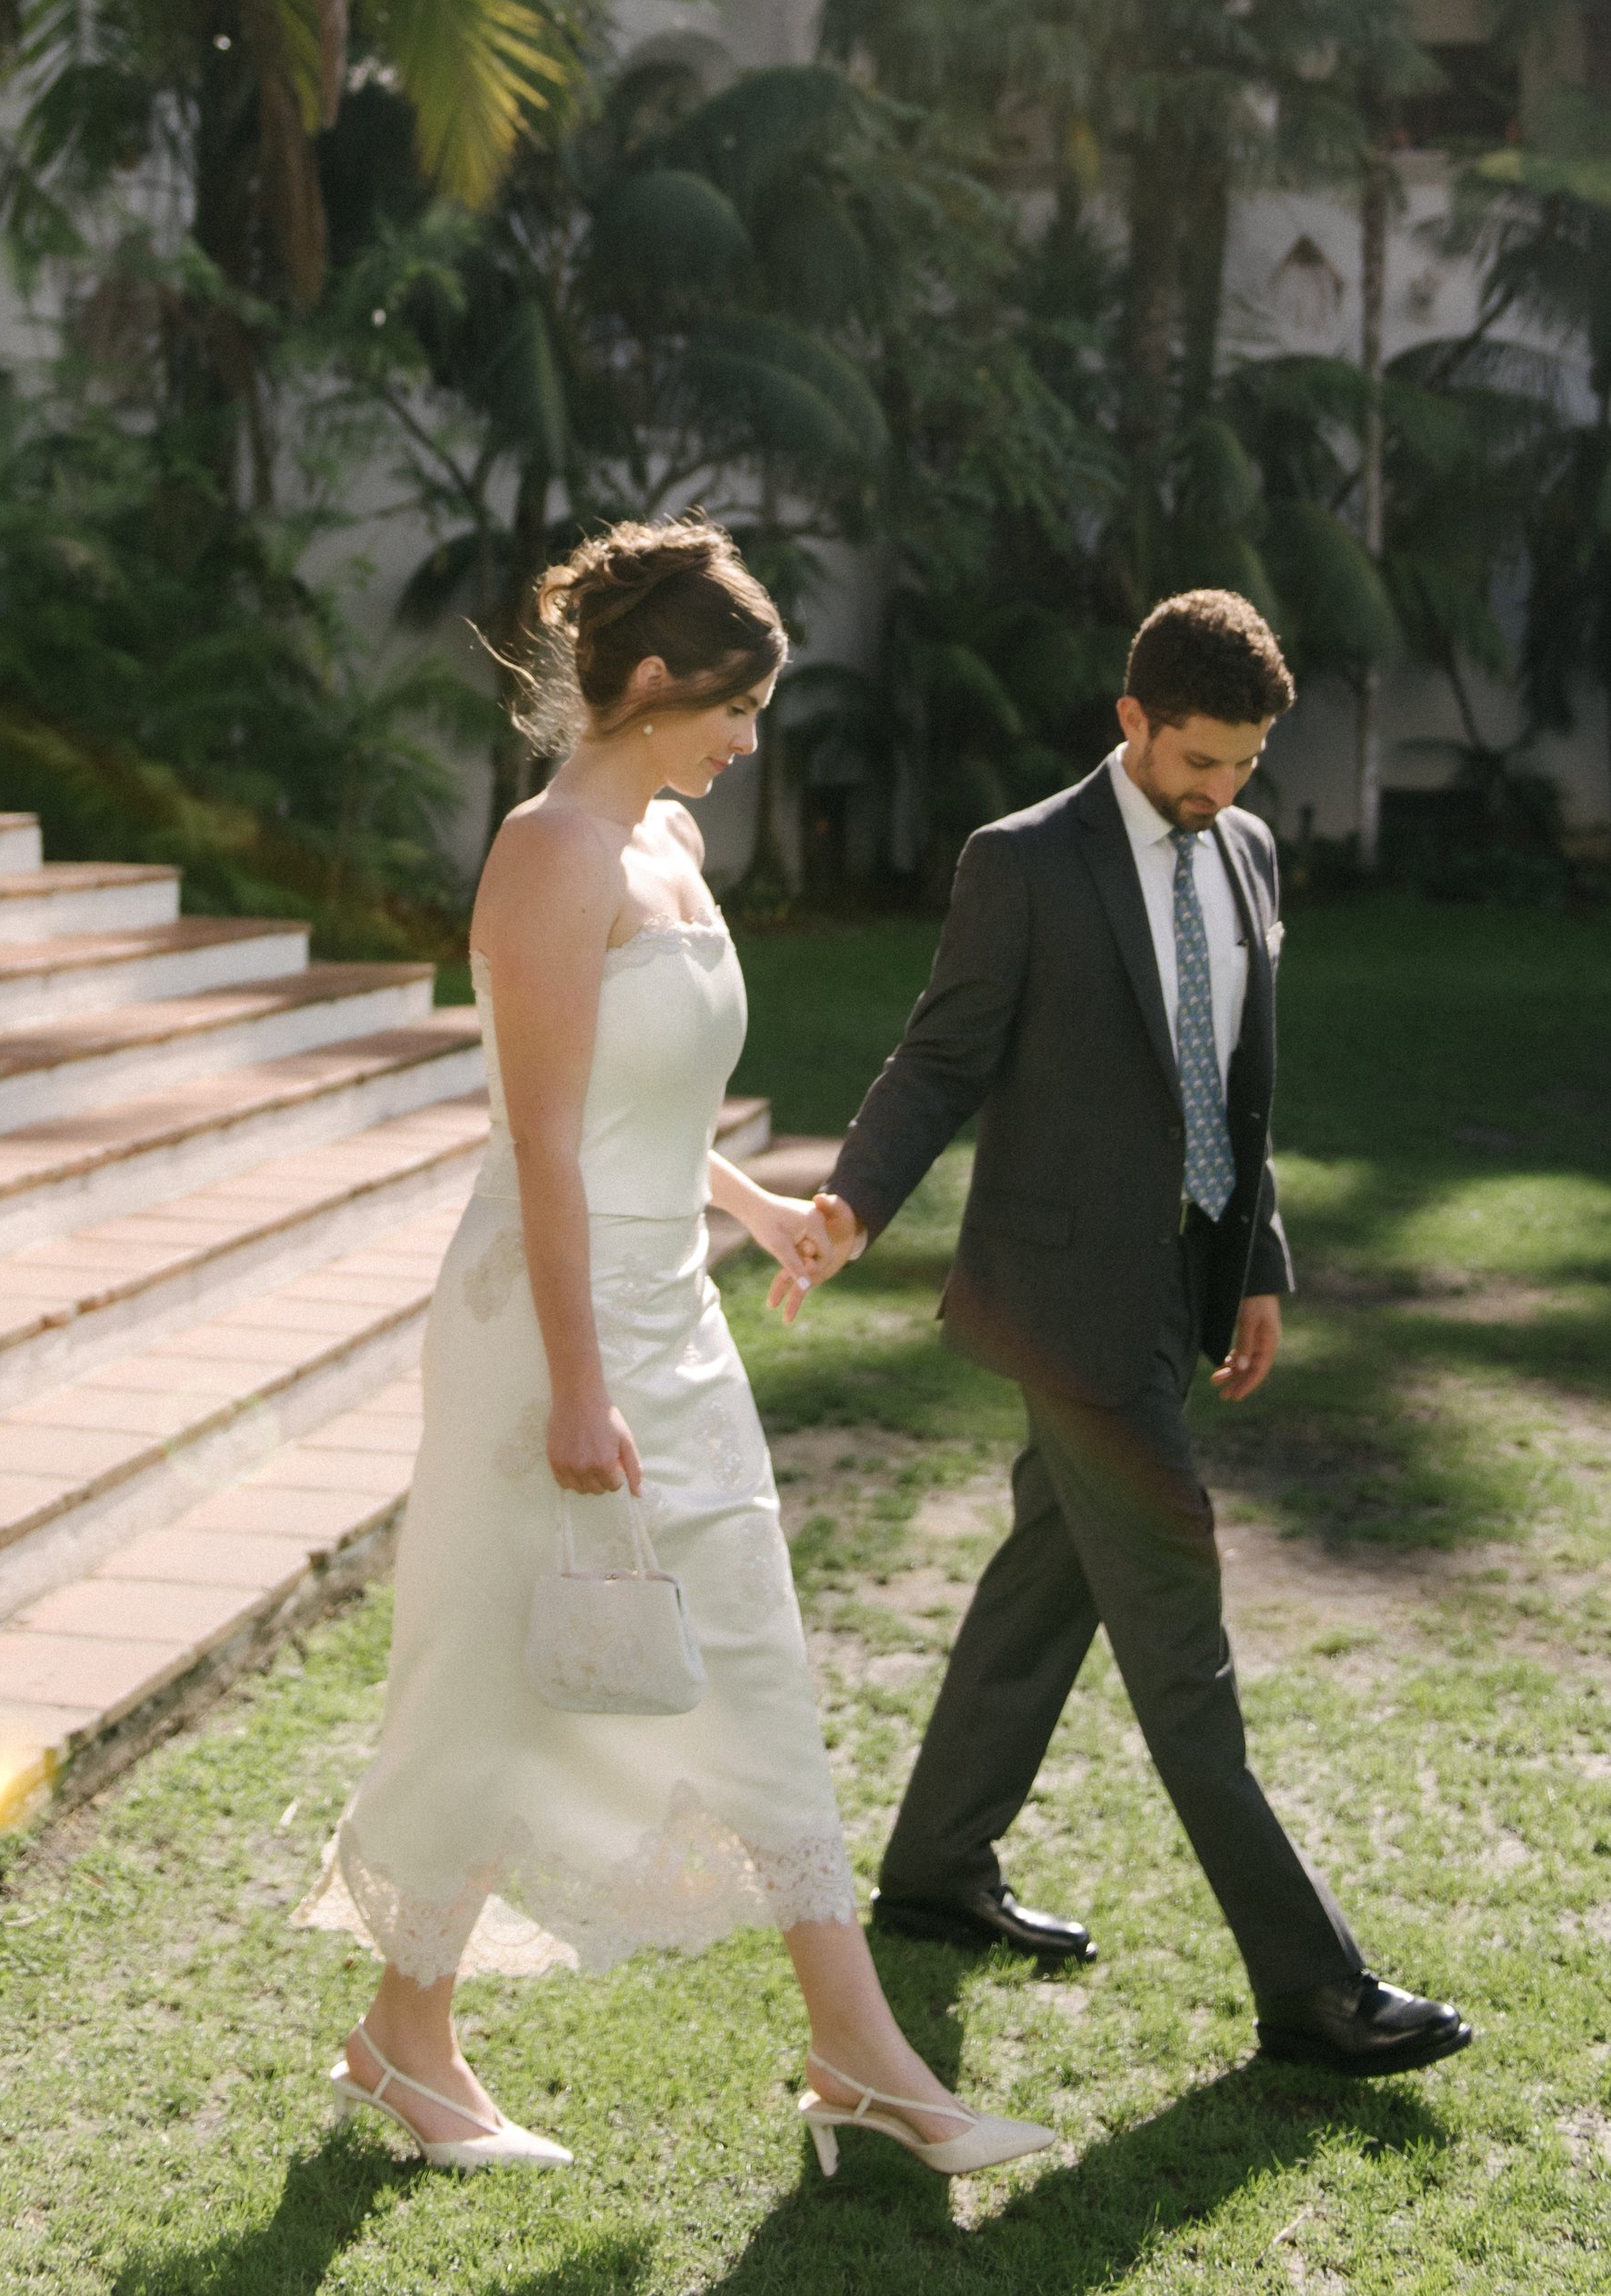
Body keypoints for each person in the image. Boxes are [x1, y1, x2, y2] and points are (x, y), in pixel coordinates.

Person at [298, 516, 1054, 2179]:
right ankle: (451, 2037)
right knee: (509, 1661)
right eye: (734, 706)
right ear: (648, 683)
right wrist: (577, 1385)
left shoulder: (668, 846)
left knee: (734, 1650)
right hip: (552, 1320)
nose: (749, 738)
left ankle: (446, 2036)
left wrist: (761, 1207)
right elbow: (544, 1139)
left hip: (669, 1305)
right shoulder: (549, 856)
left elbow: (646, 1107)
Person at [782, 590, 1472, 2081]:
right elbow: (942, 1053)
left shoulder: (1251, 854)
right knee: (1183, 1650)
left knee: (1050, 1576)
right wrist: (850, 1200)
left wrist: (1259, 1256)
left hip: (1183, 1286)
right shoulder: (1022, 862)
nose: (1221, 791)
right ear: (1132, 721)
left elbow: (1233, 1083)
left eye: (1244, 766)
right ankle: (1315, 1988)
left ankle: (933, 1866)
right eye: (1200, 760)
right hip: (1069, 1306)